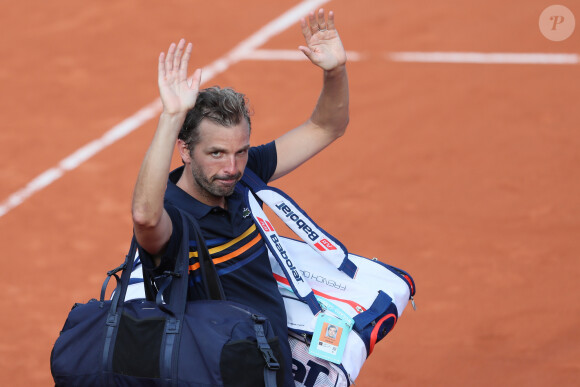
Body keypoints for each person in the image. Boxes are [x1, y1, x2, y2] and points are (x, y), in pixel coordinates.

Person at [131, 8, 349, 386]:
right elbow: (145, 218)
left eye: (241, 151)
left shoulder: (243, 176)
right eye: (216, 153)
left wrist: (335, 72)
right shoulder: (174, 219)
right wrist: (170, 117)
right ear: (184, 150)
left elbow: (326, 126)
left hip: (268, 368)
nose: (232, 167)